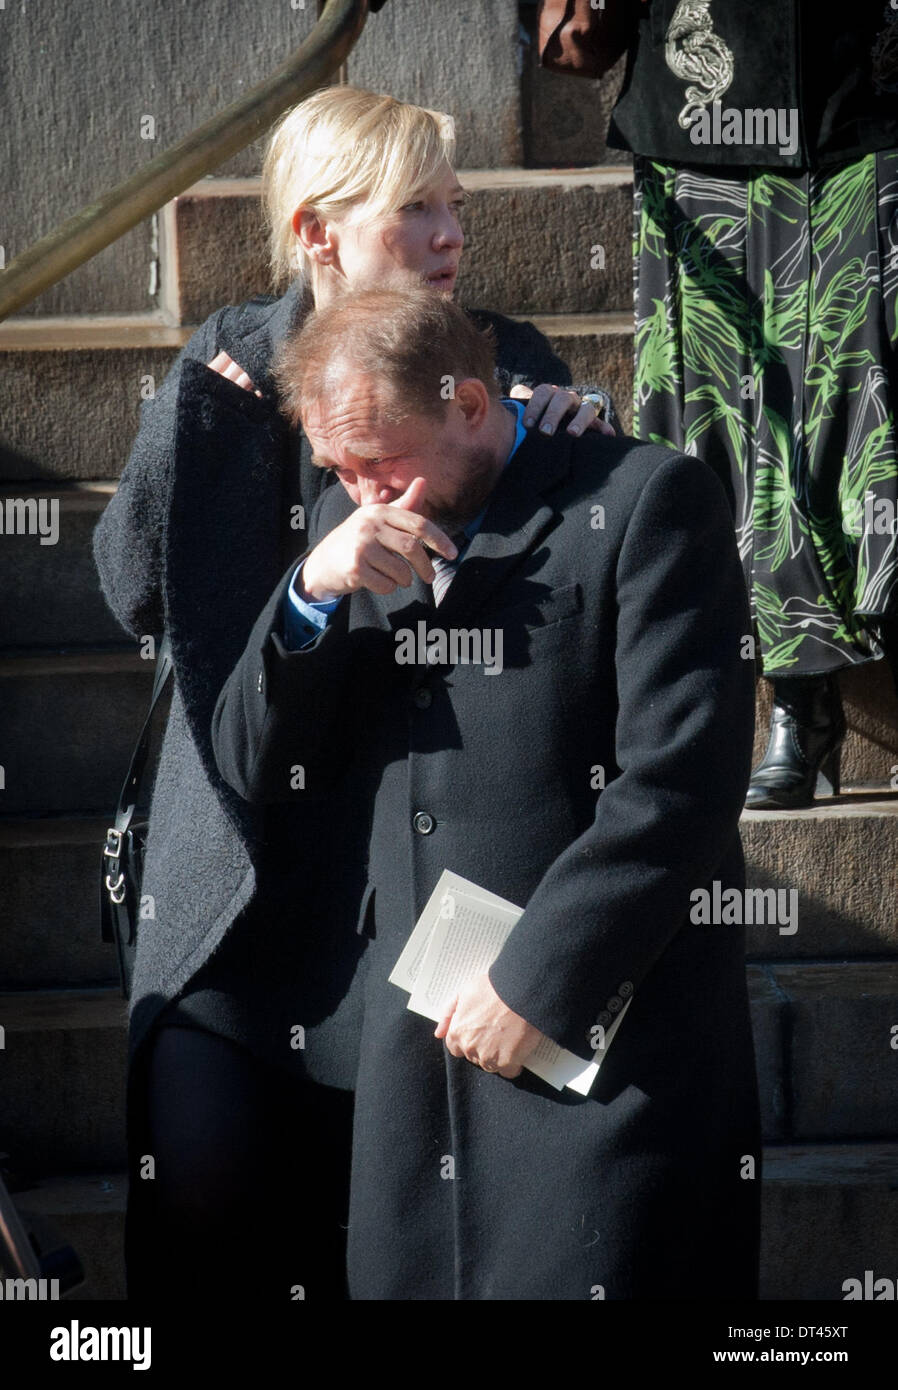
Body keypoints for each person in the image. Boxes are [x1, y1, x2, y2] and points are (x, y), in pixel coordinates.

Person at [92, 84, 613, 1302]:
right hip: (232, 878)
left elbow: (578, 606)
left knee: (392, 1247)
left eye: (454, 208)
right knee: (206, 1216)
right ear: (318, 231)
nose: (448, 239)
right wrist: (185, 431)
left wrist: (586, 454)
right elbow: (129, 593)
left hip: (415, 887)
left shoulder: (505, 363)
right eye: (412, 211)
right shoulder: (223, 363)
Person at [211, 286, 762, 1300]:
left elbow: (678, 783)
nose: (364, 491)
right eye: (338, 469)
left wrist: (536, 980)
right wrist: (307, 599)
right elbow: (256, 766)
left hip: (605, 1051)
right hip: (418, 1070)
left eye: (381, 459)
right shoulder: (347, 519)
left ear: (472, 404)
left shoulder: (643, 501)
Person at [588, 0, 898, 808]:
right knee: (724, 412)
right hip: (702, 108)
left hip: (864, 89)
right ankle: (799, 698)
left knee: (869, 397)